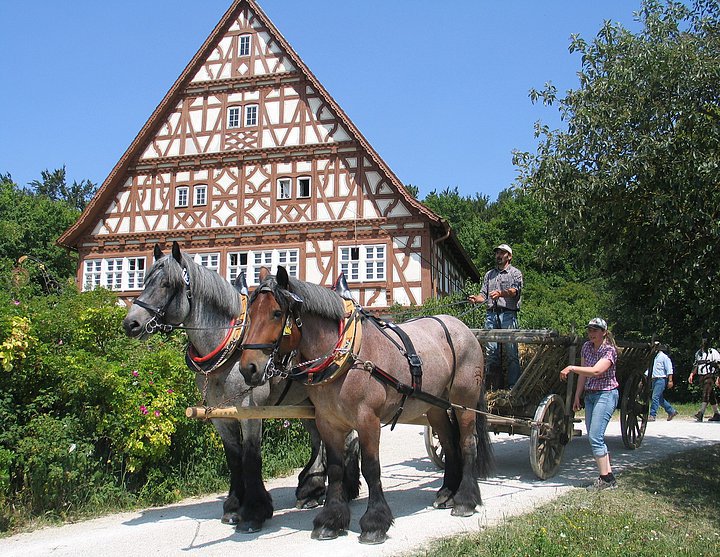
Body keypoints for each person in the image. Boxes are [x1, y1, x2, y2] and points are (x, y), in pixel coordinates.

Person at [560, 317, 619, 491]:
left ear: (604, 333)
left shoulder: (609, 350)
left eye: (595, 330)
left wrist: (571, 367)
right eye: (590, 330)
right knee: (595, 437)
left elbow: (596, 370)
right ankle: (609, 477)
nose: (591, 333)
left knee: (595, 437)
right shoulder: (586, 347)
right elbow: (584, 375)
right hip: (591, 395)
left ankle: (604, 480)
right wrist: (577, 396)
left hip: (606, 394)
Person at [468, 243, 523, 388]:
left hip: (508, 315)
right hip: (491, 315)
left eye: (502, 253)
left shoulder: (515, 273)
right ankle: (493, 388)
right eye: (497, 253)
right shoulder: (489, 275)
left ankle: (512, 387)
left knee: (511, 353)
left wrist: (501, 293)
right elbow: (483, 296)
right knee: (491, 353)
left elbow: (514, 291)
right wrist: (475, 299)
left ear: (509, 257)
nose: (498, 256)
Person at [689, 333, 720, 422]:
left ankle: (701, 413)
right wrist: (691, 374)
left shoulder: (713, 352)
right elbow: (696, 365)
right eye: (703, 340)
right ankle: (717, 414)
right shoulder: (698, 353)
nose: (704, 342)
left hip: (710, 375)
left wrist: (718, 377)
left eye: (705, 340)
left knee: (706, 393)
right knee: (711, 395)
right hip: (701, 376)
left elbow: (718, 365)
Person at [647, 342, 678, 422]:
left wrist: (670, 381)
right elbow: (650, 369)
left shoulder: (664, 357)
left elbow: (669, 369)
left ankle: (652, 415)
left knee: (655, 397)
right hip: (654, 379)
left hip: (661, 379)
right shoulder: (653, 357)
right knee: (659, 399)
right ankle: (671, 411)